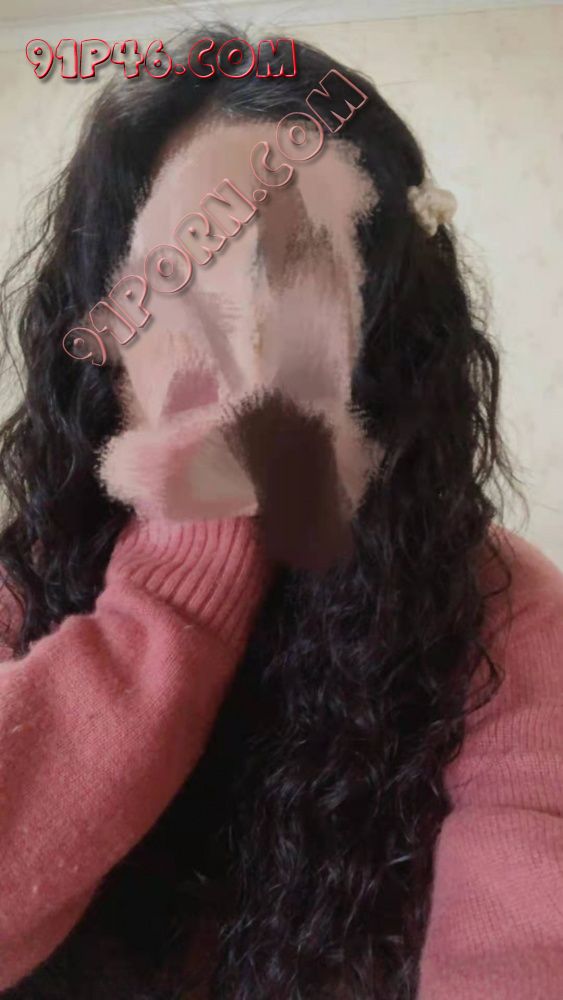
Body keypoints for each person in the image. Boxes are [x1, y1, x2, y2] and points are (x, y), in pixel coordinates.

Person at [0, 23, 562, 1000]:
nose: (246, 343)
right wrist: (178, 583)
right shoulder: (32, 571)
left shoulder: (500, 606)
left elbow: (524, 922)